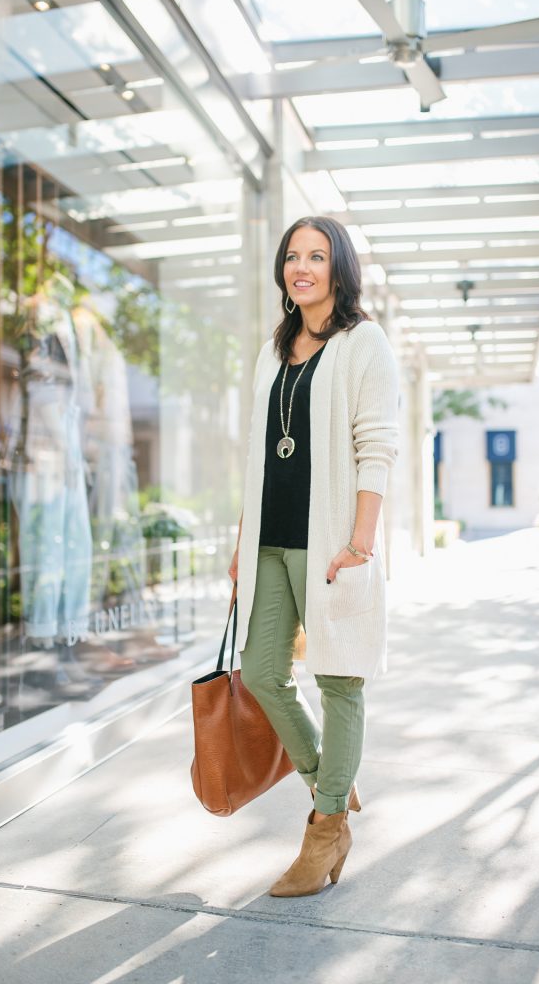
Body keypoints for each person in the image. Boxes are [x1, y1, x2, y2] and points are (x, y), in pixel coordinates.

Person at [229, 215, 399, 897]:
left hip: (332, 544)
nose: (303, 267)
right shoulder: (274, 348)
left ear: (339, 268)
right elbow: (256, 453)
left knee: (339, 681)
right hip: (270, 540)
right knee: (262, 673)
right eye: (293, 256)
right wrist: (242, 541)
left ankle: (326, 830)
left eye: (317, 256)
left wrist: (361, 543)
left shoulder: (365, 343)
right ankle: (331, 776)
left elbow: (377, 447)